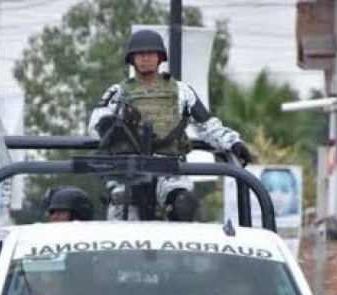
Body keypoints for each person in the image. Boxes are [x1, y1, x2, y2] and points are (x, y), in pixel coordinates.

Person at [88, 29, 252, 222]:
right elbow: (95, 127)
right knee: (121, 226)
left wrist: (232, 143)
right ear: (132, 59)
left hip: (170, 170)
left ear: (160, 57)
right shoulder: (118, 93)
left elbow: (207, 125)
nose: (145, 58)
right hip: (128, 171)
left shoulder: (182, 91)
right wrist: (110, 127)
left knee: (183, 205)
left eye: (150, 53)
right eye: (140, 54)